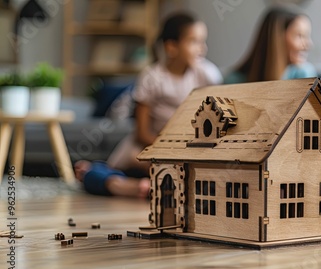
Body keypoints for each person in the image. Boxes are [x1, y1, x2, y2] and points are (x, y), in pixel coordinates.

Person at [74, 12, 223, 197]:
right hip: (149, 149)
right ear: (171, 47)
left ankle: (141, 185)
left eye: (203, 41)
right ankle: (102, 176)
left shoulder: (207, 74)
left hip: (187, 152)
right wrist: (173, 150)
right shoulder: (152, 77)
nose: (202, 49)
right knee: (102, 173)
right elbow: (142, 133)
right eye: (194, 41)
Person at [224, 5, 316, 84]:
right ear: (277, 39)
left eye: (307, 36)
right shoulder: (233, 81)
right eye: (299, 36)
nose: (309, 44)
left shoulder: (305, 75)